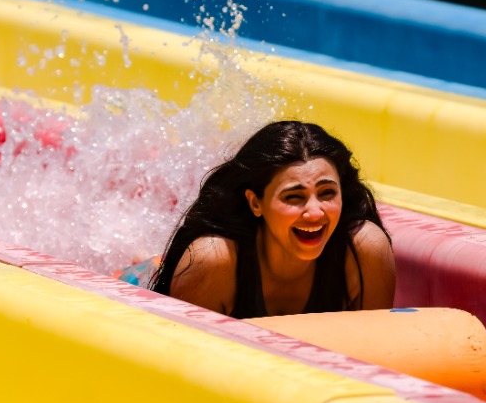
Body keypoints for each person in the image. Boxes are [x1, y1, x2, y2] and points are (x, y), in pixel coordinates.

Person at [151, 120, 395, 317]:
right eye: (293, 197)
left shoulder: (363, 252)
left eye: (327, 193)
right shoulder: (213, 261)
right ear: (256, 203)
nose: (315, 212)